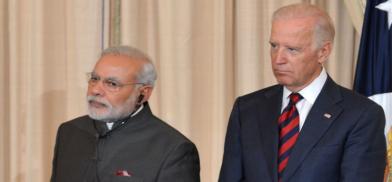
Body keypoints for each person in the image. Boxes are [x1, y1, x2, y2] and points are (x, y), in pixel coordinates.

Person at [219, 3, 386, 182]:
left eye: (292, 49)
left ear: (323, 52)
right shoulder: (246, 110)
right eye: (274, 46)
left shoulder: (362, 115)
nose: (278, 59)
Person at [51, 45, 200, 182]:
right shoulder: (69, 131)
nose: (95, 90)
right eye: (94, 79)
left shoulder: (174, 149)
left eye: (112, 84)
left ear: (143, 93)